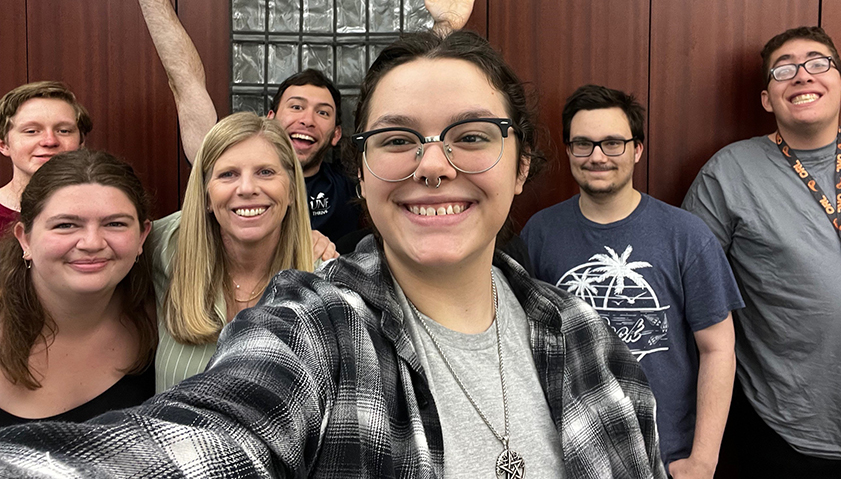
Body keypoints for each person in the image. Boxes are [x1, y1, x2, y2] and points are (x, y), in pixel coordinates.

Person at [0, 31, 666, 479]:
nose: (432, 164)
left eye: (469, 135)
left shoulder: (589, 340)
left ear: (521, 166)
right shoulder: (311, 328)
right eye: (399, 139)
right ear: (362, 173)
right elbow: (196, 440)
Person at [106, 0, 481, 245]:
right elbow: (185, 83)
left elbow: (403, 89)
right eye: (296, 107)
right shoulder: (232, 167)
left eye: (322, 112)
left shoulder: (356, 183)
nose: (307, 120)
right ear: (270, 118)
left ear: (337, 135)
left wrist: (445, 26)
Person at [682, 26, 841, 478]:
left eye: (817, 63)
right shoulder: (728, 174)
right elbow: (686, 284)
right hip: (785, 430)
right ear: (768, 99)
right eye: (784, 70)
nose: (802, 76)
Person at [521, 85, 743, 478]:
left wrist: (703, 461)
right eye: (583, 144)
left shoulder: (686, 236)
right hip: (570, 455)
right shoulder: (539, 233)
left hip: (666, 458)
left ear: (637, 149)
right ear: (569, 150)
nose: (597, 157)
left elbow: (718, 349)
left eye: (612, 143)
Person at [148, 111, 314, 392]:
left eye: (265, 172)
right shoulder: (164, 246)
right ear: (207, 195)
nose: (247, 188)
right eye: (228, 174)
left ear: (292, 191)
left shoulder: (323, 279)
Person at [0, 149, 155, 425]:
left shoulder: (165, 322)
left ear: (142, 236)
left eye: (115, 224)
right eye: (66, 225)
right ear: (25, 239)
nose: (92, 243)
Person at [0, 82, 92, 234]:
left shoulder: (110, 210)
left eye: (64, 131)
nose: (50, 141)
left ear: (81, 143)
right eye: (31, 131)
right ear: (4, 145)